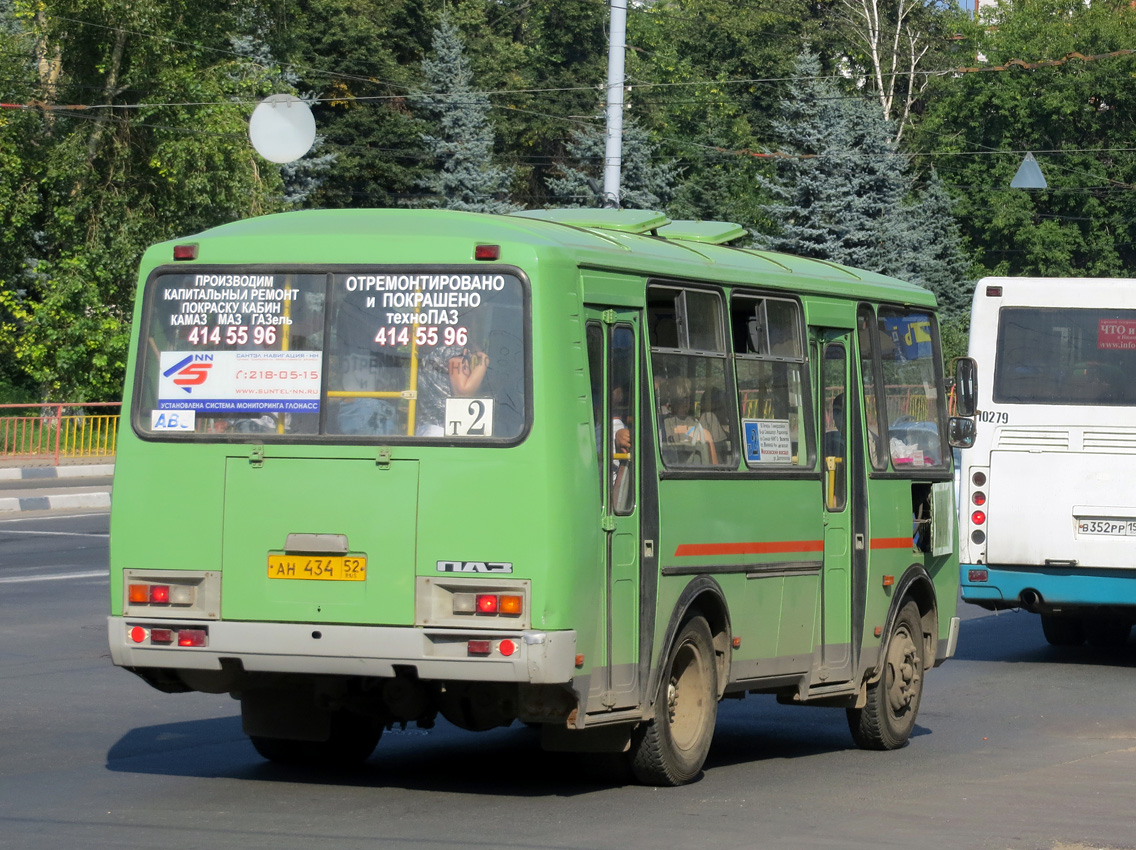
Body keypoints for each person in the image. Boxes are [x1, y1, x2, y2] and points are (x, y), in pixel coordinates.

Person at [416, 341, 491, 436]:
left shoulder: (429, 350)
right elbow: (463, 392)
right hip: (444, 429)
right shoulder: (453, 350)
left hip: (427, 428)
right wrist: (484, 361)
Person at [661, 377, 717, 464]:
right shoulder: (660, 426)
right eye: (680, 399)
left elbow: (714, 466)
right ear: (671, 401)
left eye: (687, 398)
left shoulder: (701, 430)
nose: (684, 403)